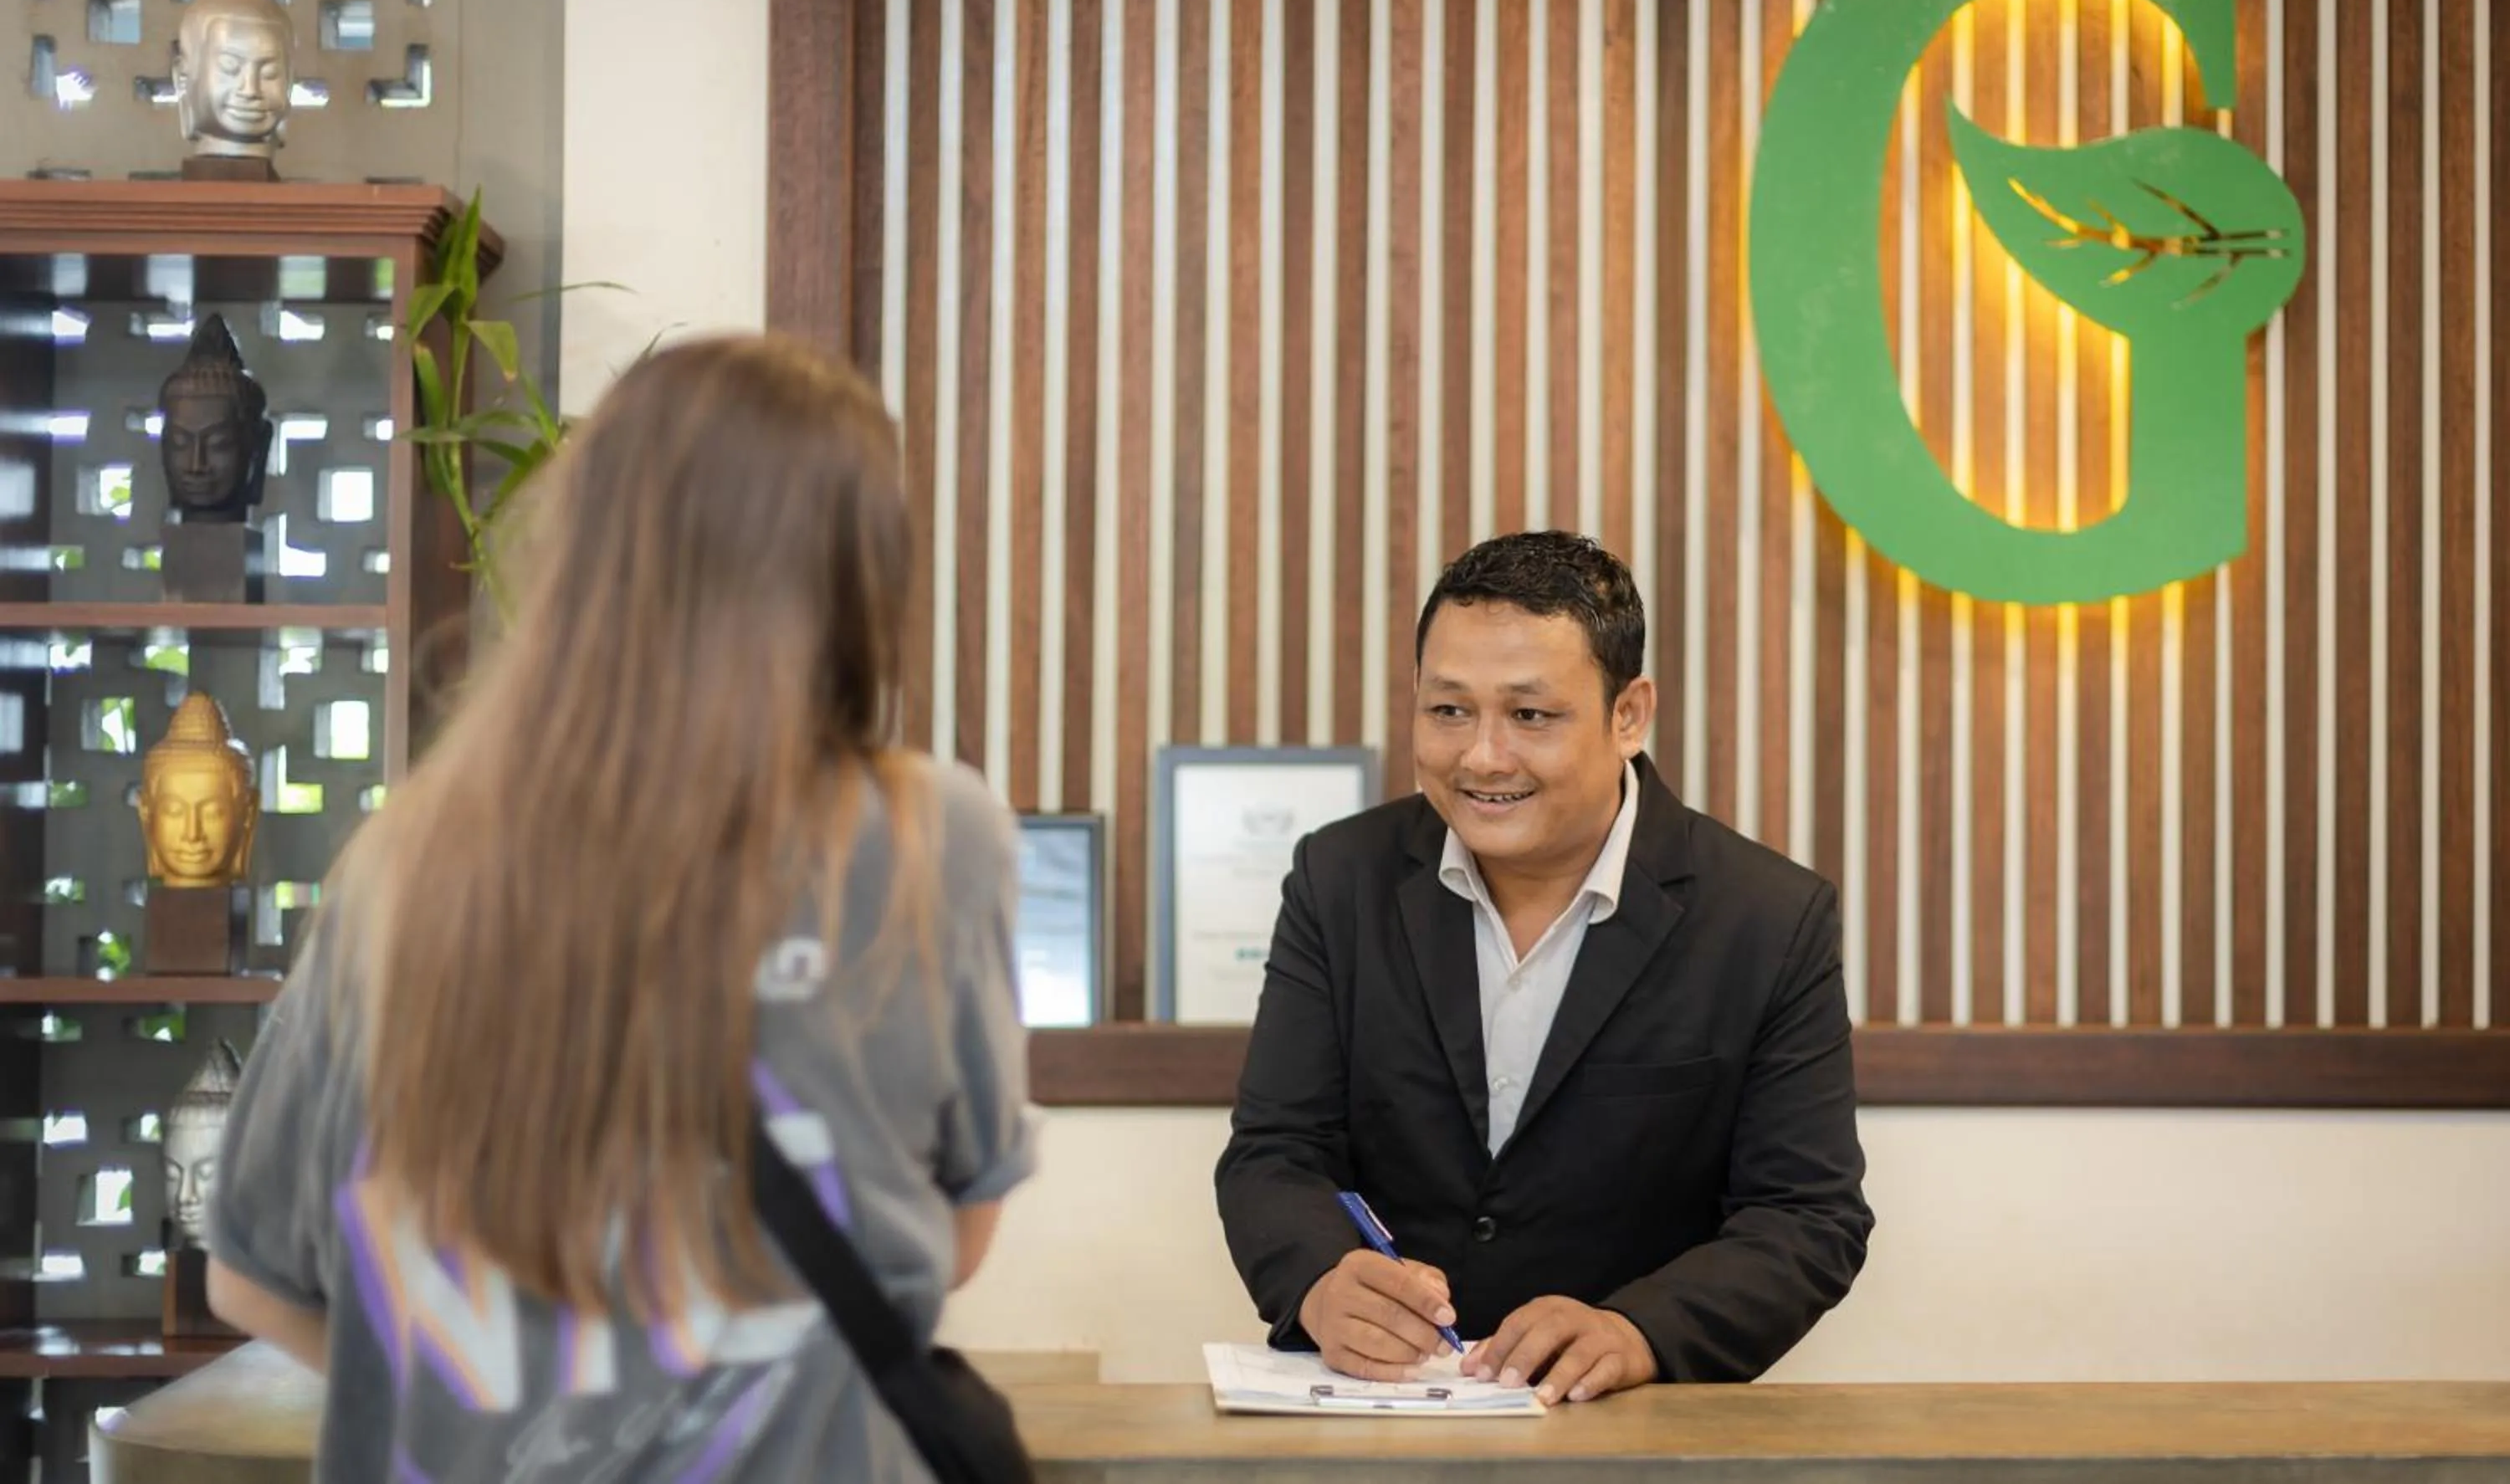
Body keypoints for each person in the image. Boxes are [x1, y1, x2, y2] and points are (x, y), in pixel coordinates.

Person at [203, 335, 1038, 1480]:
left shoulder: (402, 867)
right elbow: (952, 1237)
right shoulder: (930, 837)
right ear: (855, 574)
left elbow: (249, 1276)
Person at [1215, 530, 1871, 1403]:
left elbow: (1806, 1215)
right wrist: (1319, 1281)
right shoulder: (1339, 880)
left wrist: (1639, 1329)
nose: (1482, 756)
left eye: (1530, 715)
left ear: (1629, 714)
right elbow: (1274, 1151)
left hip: (1633, 1433)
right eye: (1449, 710)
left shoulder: (1767, 917)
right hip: (1385, 1421)